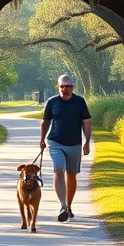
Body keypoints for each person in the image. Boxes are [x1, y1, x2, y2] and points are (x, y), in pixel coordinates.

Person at [39, 74, 92, 222]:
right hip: (55, 143)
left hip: (74, 144)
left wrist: (87, 142)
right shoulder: (52, 102)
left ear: (72, 87)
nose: (64, 89)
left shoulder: (79, 102)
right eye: (61, 86)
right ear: (58, 86)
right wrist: (42, 139)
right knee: (59, 170)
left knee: (71, 174)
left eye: (67, 86)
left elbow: (86, 122)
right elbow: (45, 122)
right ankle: (62, 206)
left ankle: (69, 205)